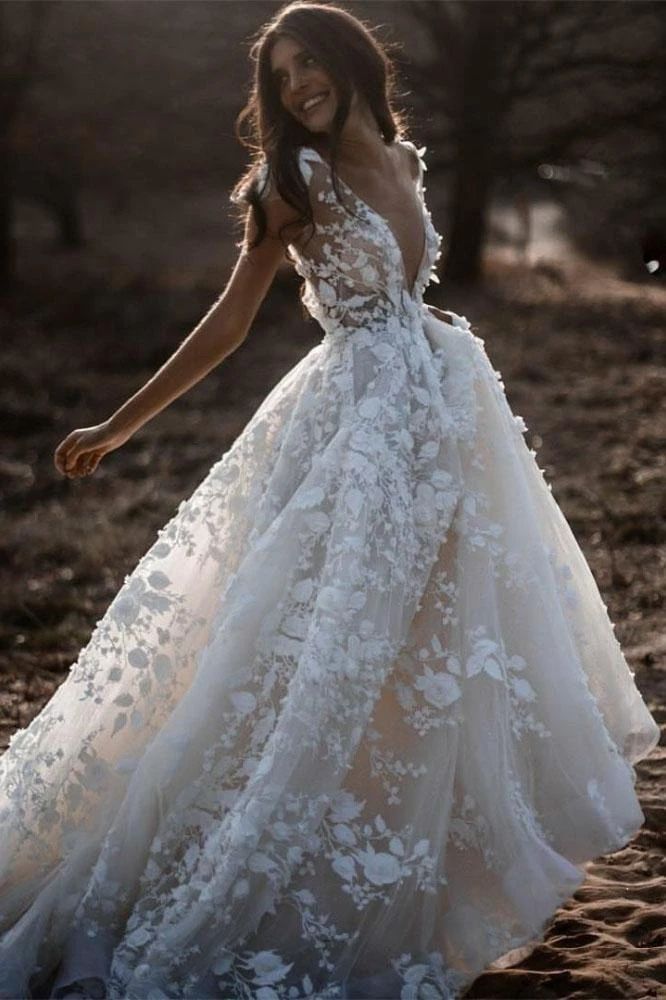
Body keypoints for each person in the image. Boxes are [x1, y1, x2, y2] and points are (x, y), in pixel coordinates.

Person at [1, 2, 660, 998]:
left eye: (312, 63)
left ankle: (411, 868)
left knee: (431, 644)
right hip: (349, 429)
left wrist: (428, 349)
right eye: (282, 75)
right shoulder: (289, 182)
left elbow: (406, 284)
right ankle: (248, 858)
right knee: (314, 647)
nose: (299, 85)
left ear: (355, 62)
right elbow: (231, 318)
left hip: (439, 415)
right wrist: (121, 424)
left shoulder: (404, 157)